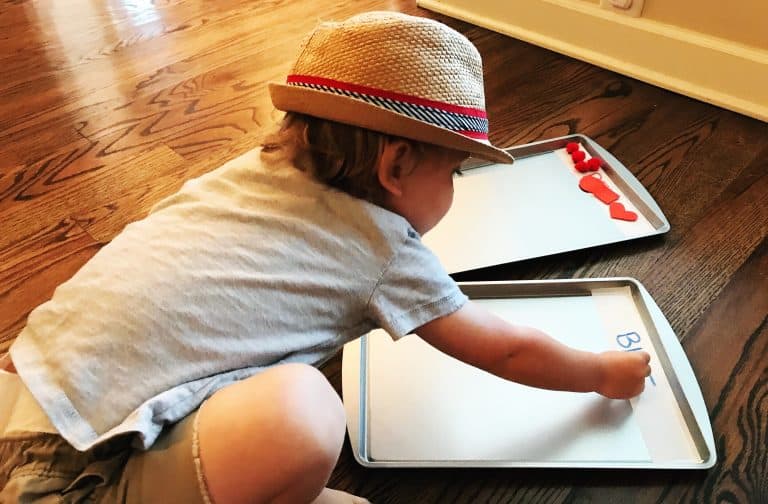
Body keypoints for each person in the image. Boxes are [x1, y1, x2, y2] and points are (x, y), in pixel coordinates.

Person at [0, 11, 651, 504]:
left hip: (28, 387)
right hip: (79, 480)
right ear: (397, 165)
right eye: (454, 172)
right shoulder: (382, 248)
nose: (454, 190)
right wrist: (599, 371)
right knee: (304, 412)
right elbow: (505, 348)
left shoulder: (243, 175)